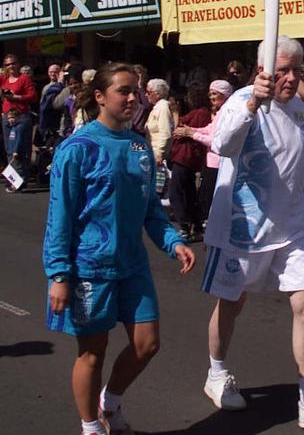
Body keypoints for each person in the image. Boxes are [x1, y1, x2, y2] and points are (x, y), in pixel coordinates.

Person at [201, 36, 304, 430]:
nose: (288, 78)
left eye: (295, 71)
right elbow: (222, 144)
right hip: (244, 228)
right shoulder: (241, 101)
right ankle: (217, 372)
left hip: (292, 228)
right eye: (281, 69)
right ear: (262, 70)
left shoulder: (298, 109)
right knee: (232, 304)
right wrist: (253, 101)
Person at [43, 62, 196, 435]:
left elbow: (150, 213)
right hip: (89, 269)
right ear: (99, 97)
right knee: (92, 354)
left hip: (132, 266)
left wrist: (174, 242)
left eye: (136, 91)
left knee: (147, 345)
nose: (133, 98)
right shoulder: (76, 149)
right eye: (123, 91)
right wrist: (59, 274)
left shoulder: (139, 146)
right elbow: (59, 217)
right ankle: (91, 426)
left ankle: (109, 403)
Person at [173, 80, 233, 226]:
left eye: (215, 94)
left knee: (208, 202)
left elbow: (216, 140)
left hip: (218, 163)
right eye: (210, 94)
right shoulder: (221, 112)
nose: (211, 97)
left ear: (224, 95)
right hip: (210, 162)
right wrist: (190, 130)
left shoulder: (228, 112)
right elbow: (209, 128)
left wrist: (192, 134)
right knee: (204, 199)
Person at [169, 83, 212, 239]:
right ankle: (197, 226)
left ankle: (184, 225)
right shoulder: (198, 113)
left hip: (186, 156)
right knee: (189, 192)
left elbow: (181, 130)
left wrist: (177, 118)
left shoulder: (200, 114)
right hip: (185, 155)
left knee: (177, 191)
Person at [1, 53, 37, 188]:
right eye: (7, 64)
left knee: (21, 147)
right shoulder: (3, 79)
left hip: (21, 117)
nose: (11, 66)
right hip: (7, 117)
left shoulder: (24, 78)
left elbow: (33, 96)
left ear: (18, 64)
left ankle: (22, 178)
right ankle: (14, 179)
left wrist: (17, 97)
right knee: (9, 149)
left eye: (13, 63)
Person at [144, 78, 174, 167]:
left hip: (157, 156)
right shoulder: (157, 107)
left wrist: (159, 153)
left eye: (148, 92)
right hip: (151, 152)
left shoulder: (163, 107)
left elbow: (165, 133)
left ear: (157, 94)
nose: (146, 94)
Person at [131, 64, 153, 137]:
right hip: (128, 130)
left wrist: (140, 86)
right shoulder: (129, 91)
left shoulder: (145, 92)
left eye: (139, 77)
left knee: (139, 148)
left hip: (140, 133)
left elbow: (147, 106)